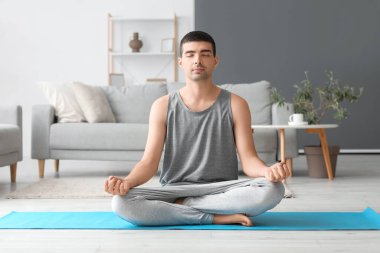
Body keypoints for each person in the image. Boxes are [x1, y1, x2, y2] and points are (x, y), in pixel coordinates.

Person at [104, 31, 290, 226]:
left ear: (215, 61)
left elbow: (249, 160)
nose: (197, 60)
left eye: (205, 54)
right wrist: (127, 182)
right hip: (175, 189)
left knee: (274, 190)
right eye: (190, 54)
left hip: (223, 190)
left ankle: (185, 206)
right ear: (180, 62)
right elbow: (148, 163)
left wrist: (268, 171)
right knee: (120, 203)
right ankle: (213, 217)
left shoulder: (237, 104)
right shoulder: (162, 106)